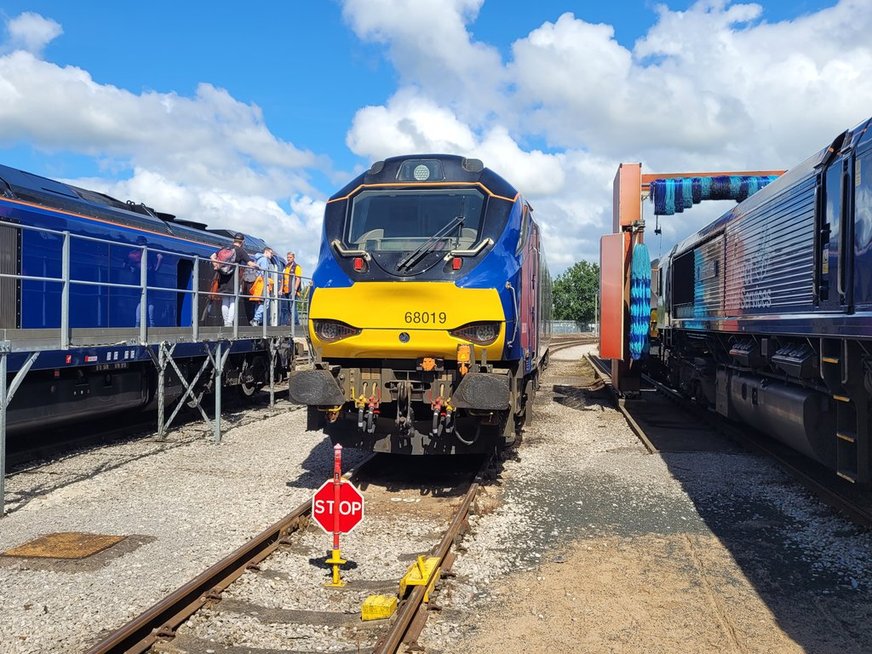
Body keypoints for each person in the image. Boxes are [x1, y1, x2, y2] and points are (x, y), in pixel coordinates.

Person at [210, 233, 257, 327]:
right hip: (233, 279)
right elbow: (250, 263)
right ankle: (229, 322)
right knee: (233, 301)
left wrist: (216, 265)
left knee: (225, 300)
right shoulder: (240, 250)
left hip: (222, 277)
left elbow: (212, 256)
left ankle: (225, 321)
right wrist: (257, 266)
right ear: (242, 242)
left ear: (233, 240)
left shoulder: (225, 248)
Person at [127, 236, 163, 327]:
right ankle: (152, 323)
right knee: (150, 301)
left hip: (137, 279)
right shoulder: (149, 251)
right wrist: (156, 269)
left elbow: (127, 265)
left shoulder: (133, 254)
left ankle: (137, 323)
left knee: (140, 301)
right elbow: (160, 257)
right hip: (150, 278)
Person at [249, 247, 275, 326]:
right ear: (266, 252)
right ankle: (256, 319)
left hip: (258, 283)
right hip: (262, 283)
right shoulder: (264, 260)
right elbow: (264, 273)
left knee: (259, 302)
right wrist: (267, 285)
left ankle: (257, 320)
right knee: (266, 302)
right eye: (271, 253)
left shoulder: (258, 259)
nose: (272, 255)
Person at [281, 251, 303, 326]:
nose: (288, 259)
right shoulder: (286, 267)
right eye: (287, 257)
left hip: (292, 290)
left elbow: (298, 278)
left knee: (292, 307)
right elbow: (283, 278)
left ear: (293, 258)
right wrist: (281, 289)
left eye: (290, 257)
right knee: (286, 308)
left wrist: (295, 289)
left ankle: (296, 323)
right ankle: (287, 323)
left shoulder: (297, 267)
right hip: (285, 290)